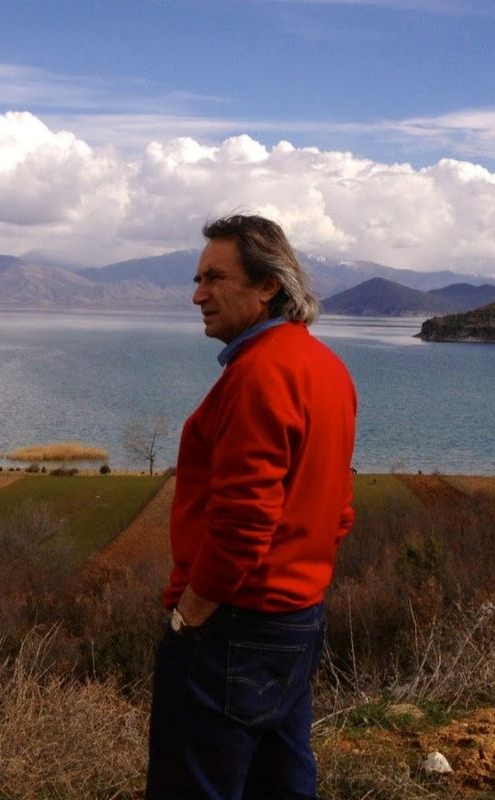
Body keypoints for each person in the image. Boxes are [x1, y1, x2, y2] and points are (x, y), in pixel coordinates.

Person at [145, 214, 356, 800]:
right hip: (298, 620)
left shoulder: (259, 374)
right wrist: (298, 581)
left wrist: (190, 614)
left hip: (234, 626)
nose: (198, 295)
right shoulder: (327, 368)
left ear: (268, 285)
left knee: (194, 785)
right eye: (198, 279)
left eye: (215, 278)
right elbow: (339, 509)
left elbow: (242, 522)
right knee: (281, 781)